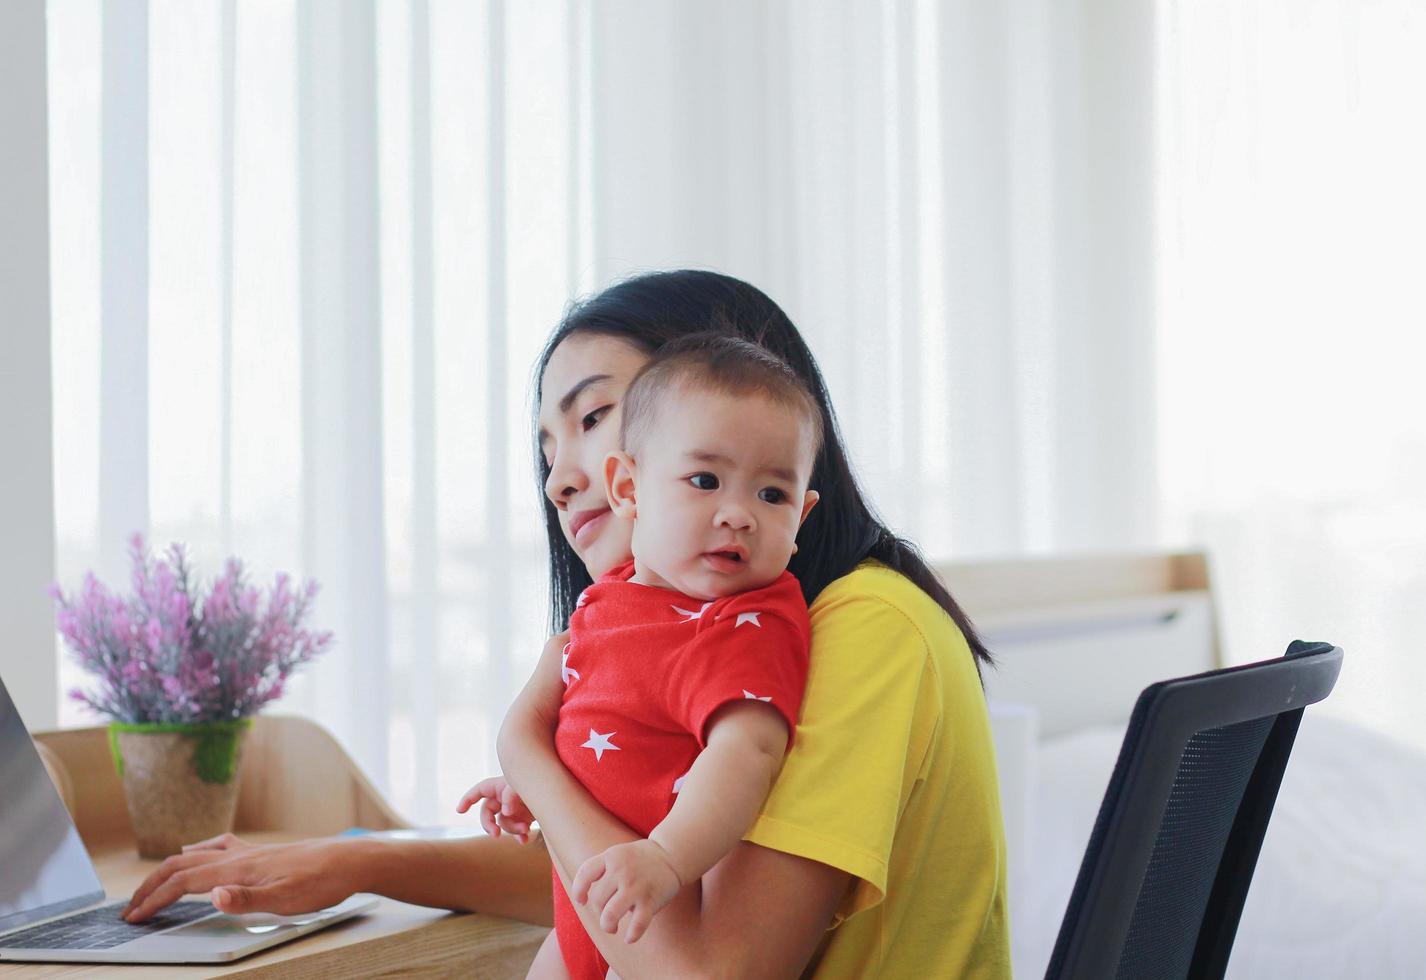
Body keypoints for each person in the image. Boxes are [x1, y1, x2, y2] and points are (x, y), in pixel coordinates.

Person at [123, 270, 1012, 978]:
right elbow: (617, 886)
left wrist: (526, 748)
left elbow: (702, 968)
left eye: (591, 417)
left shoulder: (866, 629)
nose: (559, 480)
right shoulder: (740, 629)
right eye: (547, 449)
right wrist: (358, 863)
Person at [464, 335, 824, 977]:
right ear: (629, 486)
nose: (738, 514)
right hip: (587, 917)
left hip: (655, 908)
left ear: (803, 516)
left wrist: (668, 857)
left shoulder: (749, 618)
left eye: (773, 495)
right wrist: (532, 783)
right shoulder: (610, 599)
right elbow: (602, 723)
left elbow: (748, 753)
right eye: (706, 481)